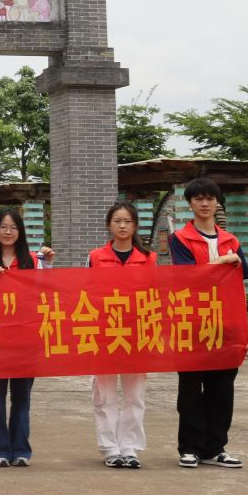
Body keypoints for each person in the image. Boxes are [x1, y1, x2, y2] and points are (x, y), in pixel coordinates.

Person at [169, 178, 248, 468]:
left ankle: (216, 447)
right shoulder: (180, 239)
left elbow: (237, 288)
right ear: (190, 203)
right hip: (192, 324)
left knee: (222, 389)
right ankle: (189, 447)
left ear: (218, 202)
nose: (204, 203)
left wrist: (245, 327)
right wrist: (222, 262)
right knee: (191, 388)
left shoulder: (231, 241)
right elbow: (188, 278)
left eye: (210, 198)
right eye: (198, 199)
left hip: (226, 326)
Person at [0, 208, 55, 467]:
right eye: (3, 227)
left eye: (13, 227)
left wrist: (49, 265)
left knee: (22, 397)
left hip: (25, 340)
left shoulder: (33, 260)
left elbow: (48, 291)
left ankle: (21, 449)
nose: (8, 232)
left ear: (20, 232)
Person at [88, 200, 157, 469]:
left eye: (128, 221)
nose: (123, 226)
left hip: (137, 333)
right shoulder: (96, 257)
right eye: (117, 221)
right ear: (109, 225)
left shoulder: (149, 258)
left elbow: (155, 294)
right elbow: (86, 291)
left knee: (134, 394)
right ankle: (109, 448)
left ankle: (130, 447)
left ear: (135, 225)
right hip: (105, 332)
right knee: (104, 393)